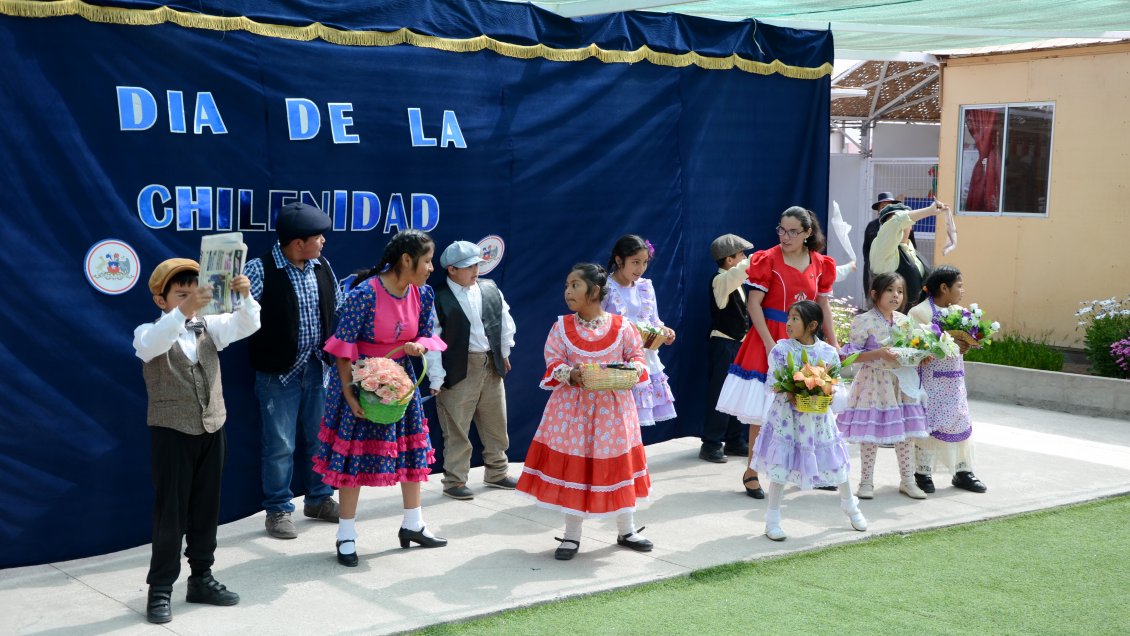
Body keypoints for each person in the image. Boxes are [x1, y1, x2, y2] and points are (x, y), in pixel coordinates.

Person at [133, 259, 261, 623]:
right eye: (181, 294)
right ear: (162, 300)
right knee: (171, 513)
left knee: (207, 508)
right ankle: (160, 589)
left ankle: (201, 577)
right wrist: (181, 313)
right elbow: (153, 345)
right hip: (172, 433)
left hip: (213, 428)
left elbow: (249, 323)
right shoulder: (148, 331)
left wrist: (245, 296)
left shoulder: (210, 327)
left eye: (195, 292)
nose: (191, 300)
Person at [315, 229, 449, 566]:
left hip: (401, 386)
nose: (432, 268)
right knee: (352, 463)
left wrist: (419, 344)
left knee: (412, 455)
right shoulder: (365, 294)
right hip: (360, 385)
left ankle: (413, 525)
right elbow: (343, 351)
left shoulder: (424, 293)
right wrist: (350, 396)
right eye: (428, 261)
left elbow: (424, 333)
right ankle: (346, 535)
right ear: (407, 260)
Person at [516, 263, 653, 561]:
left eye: (575, 285)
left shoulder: (622, 326)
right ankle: (572, 535)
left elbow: (638, 358)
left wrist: (632, 370)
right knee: (576, 469)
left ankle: (626, 529)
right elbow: (553, 363)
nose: (567, 291)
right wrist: (571, 374)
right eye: (567, 285)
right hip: (573, 413)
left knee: (616, 466)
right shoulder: (562, 327)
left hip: (613, 412)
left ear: (594, 291)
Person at [716, 207, 838, 499]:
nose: (786, 236)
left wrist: (833, 342)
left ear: (808, 233)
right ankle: (751, 471)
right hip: (768, 337)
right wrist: (771, 342)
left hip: (806, 342)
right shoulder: (766, 259)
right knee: (763, 411)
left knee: (808, 406)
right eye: (782, 230)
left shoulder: (821, 264)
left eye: (793, 231)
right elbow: (753, 304)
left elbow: (823, 306)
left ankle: (811, 470)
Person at [245, 202, 341, 539]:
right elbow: (234, 317)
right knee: (280, 445)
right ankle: (278, 510)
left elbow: (337, 306)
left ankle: (318, 498)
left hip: (318, 370)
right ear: (297, 242)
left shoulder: (321, 266)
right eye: (318, 237)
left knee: (319, 439)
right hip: (278, 374)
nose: (323, 243)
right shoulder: (259, 270)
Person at [755, 300, 866, 541]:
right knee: (781, 466)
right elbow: (773, 382)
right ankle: (772, 519)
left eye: (795, 319)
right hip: (787, 418)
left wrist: (824, 389)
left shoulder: (827, 352)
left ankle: (850, 505)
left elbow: (833, 384)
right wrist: (790, 391)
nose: (789, 323)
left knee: (835, 461)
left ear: (812, 325)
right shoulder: (781, 350)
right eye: (789, 318)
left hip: (818, 418)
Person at [425, 240, 518, 501]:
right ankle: (455, 480)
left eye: (477, 264)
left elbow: (504, 322)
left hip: (490, 364)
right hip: (457, 367)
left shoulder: (490, 289)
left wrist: (504, 352)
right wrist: (437, 377)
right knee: (456, 426)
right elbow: (432, 341)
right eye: (468, 267)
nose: (475, 270)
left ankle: (497, 471)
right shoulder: (438, 297)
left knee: (496, 422)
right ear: (452, 269)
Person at [837, 272, 930, 500]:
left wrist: (921, 356)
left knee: (906, 433)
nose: (895, 295)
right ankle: (866, 482)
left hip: (900, 383)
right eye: (889, 290)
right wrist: (876, 354)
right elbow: (848, 357)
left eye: (899, 291)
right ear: (874, 294)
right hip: (873, 382)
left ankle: (907, 480)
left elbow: (909, 351)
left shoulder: (904, 321)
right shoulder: (863, 320)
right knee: (871, 432)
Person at [907, 265, 988, 494]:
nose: (963, 290)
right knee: (930, 424)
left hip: (954, 379)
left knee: (960, 420)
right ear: (944, 287)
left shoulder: (960, 312)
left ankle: (963, 471)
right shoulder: (920, 312)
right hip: (930, 380)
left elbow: (966, 341)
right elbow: (913, 346)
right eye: (959, 286)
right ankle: (922, 473)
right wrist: (939, 345)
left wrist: (967, 345)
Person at [602, 235, 677, 426]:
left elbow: (653, 320)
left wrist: (664, 331)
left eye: (644, 262)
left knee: (636, 417)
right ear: (619, 260)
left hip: (643, 358)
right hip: (616, 357)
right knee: (615, 416)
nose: (641, 268)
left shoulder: (645, 286)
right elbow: (598, 322)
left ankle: (632, 454)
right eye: (635, 262)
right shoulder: (606, 288)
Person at [700, 233, 755, 463]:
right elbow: (739, 272)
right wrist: (761, 257)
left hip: (739, 345)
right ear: (730, 260)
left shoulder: (738, 283)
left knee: (738, 392)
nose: (745, 258)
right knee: (720, 393)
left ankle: (734, 439)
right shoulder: (720, 280)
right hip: (723, 344)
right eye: (741, 255)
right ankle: (711, 443)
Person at [869, 199, 949, 311]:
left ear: (911, 226)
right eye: (890, 222)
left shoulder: (913, 252)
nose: (899, 228)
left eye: (906, 224)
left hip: (916, 319)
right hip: (890, 320)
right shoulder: (881, 248)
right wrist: (929, 211)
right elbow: (896, 222)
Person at [861, 191, 898, 298]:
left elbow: (910, 245)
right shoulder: (872, 226)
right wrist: (871, 266)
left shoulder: (900, 225)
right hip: (874, 270)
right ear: (878, 210)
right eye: (883, 206)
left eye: (889, 206)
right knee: (874, 299)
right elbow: (866, 248)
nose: (886, 209)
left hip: (894, 270)